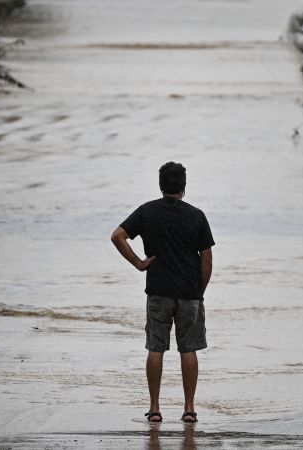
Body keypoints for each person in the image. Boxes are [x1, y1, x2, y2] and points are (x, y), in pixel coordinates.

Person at [110, 161, 214, 424]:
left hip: (158, 291)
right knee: (188, 350)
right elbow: (207, 259)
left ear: (160, 184)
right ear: (184, 186)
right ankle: (189, 409)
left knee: (156, 348)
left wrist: (139, 263)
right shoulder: (196, 215)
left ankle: (155, 409)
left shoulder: (147, 212)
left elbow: (117, 236)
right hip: (189, 294)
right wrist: (198, 291)